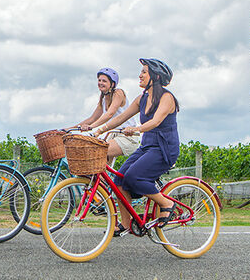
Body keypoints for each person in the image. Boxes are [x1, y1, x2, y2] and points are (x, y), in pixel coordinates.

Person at [92, 58, 180, 235]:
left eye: (144, 72)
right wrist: (98, 131)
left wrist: (137, 129)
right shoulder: (141, 99)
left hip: (164, 148)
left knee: (134, 177)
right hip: (147, 146)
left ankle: (166, 203)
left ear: (155, 76)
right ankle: (126, 223)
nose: (139, 75)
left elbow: (156, 122)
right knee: (119, 180)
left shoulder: (167, 98)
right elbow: (119, 118)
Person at [76, 67, 140, 167]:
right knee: (97, 169)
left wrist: (92, 127)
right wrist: (71, 128)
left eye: (104, 81)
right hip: (112, 135)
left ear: (112, 84)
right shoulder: (103, 98)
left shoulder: (118, 93)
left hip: (126, 136)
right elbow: (92, 118)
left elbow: (110, 113)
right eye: (99, 80)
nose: (101, 83)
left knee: (99, 151)